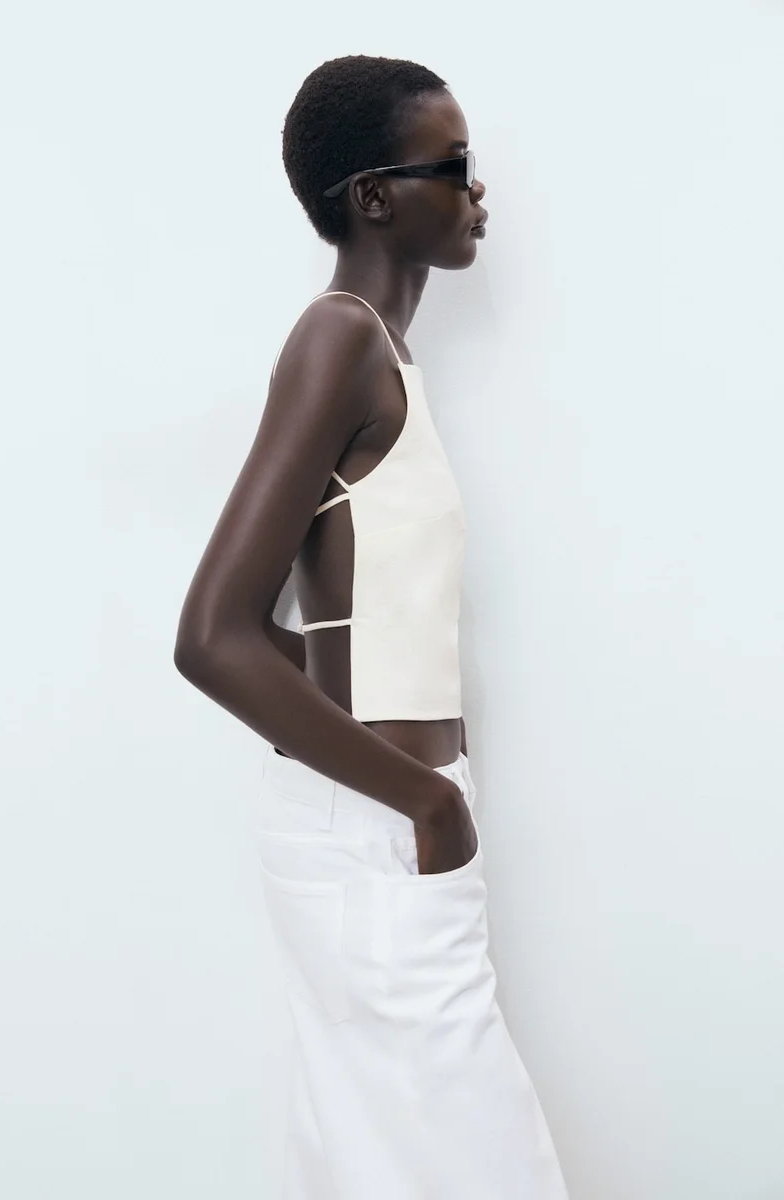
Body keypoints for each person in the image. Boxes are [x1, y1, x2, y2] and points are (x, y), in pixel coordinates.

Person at [174, 54, 569, 1200]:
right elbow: (213, 634)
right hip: (379, 832)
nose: (478, 189)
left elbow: (323, 628)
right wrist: (425, 800)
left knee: (384, 1159)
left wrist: (425, 784)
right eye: (454, 165)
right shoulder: (337, 340)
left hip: (381, 827)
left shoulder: (383, 355)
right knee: (479, 1165)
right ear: (375, 197)